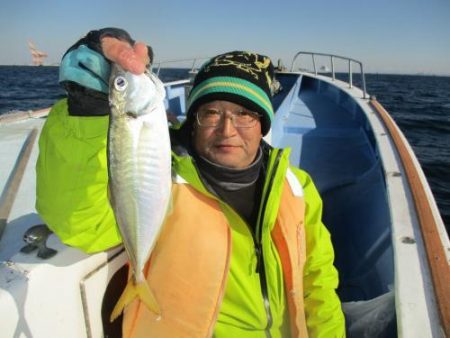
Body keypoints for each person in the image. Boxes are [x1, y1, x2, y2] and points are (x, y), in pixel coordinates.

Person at [36, 28, 345, 337]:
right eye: (211, 113)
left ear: (262, 124)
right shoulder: (164, 179)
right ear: (192, 122)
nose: (227, 130)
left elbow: (318, 282)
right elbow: (81, 224)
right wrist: (86, 109)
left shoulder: (295, 185)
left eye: (244, 114)